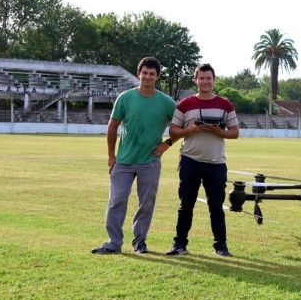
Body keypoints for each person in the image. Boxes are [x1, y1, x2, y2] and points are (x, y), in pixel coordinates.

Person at [92, 56, 177, 254]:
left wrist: (168, 143)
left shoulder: (166, 102)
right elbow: (112, 126)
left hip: (150, 161)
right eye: (144, 73)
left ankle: (140, 242)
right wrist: (111, 156)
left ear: (157, 77)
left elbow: (181, 126)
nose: (147, 77)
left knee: (146, 204)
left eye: (152, 74)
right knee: (116, 201)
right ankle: (114, 243)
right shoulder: (125, 98)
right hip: (124, 160)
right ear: (139, 74)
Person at [165, 63, 239, 257]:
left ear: (214, 80)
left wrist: (219, 131)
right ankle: (179, 244)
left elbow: (234, 132)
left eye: (209, 78)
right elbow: (173, 130)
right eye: (201, 78)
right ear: (195, 80)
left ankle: (221, 246)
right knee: (185, 205)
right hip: (190, 160)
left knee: (216, 207)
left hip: (216, 163)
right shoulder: (185, 104)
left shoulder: (225, 104)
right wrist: (191, 130)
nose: (205, 81)